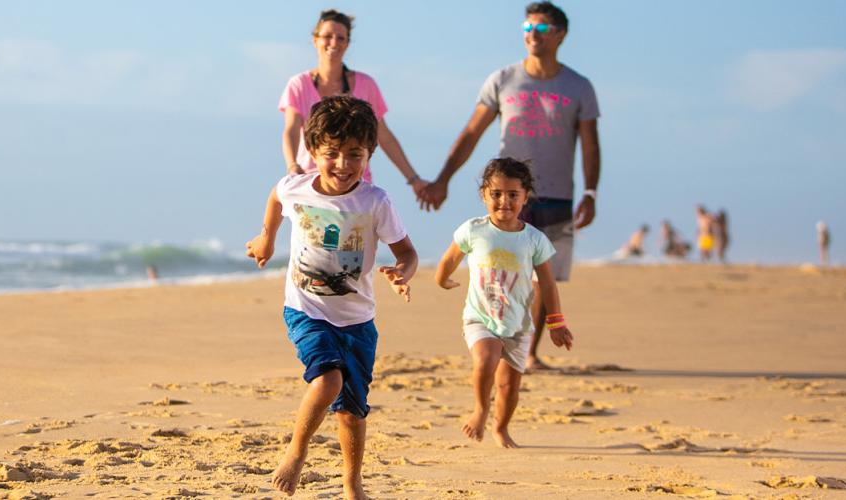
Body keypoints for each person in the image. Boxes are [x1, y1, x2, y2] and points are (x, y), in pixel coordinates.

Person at [246, 95, 418, 499]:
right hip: (307, 310)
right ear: (312, 151)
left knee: (352, 410)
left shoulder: (375, 202)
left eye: (354, 154)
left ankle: (352, 481)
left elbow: (407, 252)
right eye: (332, 154)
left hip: (358, 319)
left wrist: (401, 274)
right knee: (328, 380)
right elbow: (275, 197)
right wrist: (267, 238)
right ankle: (296, 451)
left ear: (369, 153)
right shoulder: (297, 188)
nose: (343, 164)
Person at [419, 1, 599, 371]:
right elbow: (471, 132)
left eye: (543, 29)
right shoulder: (503, 80)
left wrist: (591, 192)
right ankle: (499, 340)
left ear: (561, 35)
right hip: (510, 196)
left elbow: (590, 143)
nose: (533, 34)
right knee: (510, 270)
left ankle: (526, 354)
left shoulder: (578, 86)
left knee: (545, 275)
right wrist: (442, 179)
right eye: (528, 27)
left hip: (558, 194)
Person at [433, 158, 574, 448]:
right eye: (496, 194)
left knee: (509, 387)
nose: (504, 201)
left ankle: (501, 427)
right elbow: (449, 259)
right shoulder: (473, 230)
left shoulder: (534, 239)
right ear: (484, 194)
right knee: (486, 357)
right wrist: (442, 280)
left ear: (525, 197)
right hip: (479, 317)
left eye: (512, 194)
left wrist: (556, 322)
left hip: (518, 325)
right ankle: (480, 409)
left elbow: (547, 282)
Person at [279, 10, 427, 198]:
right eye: (327, 36)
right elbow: (291, 129)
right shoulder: (299, 84)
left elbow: (383, 135)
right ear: (315, 40)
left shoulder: (366, 85)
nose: (334, 43)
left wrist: (414, 179)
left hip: (356, 184)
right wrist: (292, 165)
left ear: (347, 44)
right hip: (312, 184)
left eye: (340, 38)